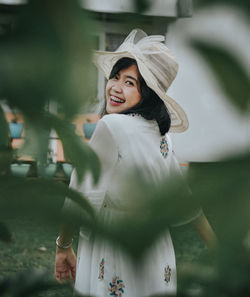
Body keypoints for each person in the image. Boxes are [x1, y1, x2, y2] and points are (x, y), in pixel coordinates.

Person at [54, 29, 216, 297]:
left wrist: (63, 245)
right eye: (115, 77)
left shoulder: (111, 126)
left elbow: (81, 195)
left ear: (149, 94)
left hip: (115, 243)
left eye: (130, 83)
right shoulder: (161, 134)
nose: (115, 87)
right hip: (155, 248)